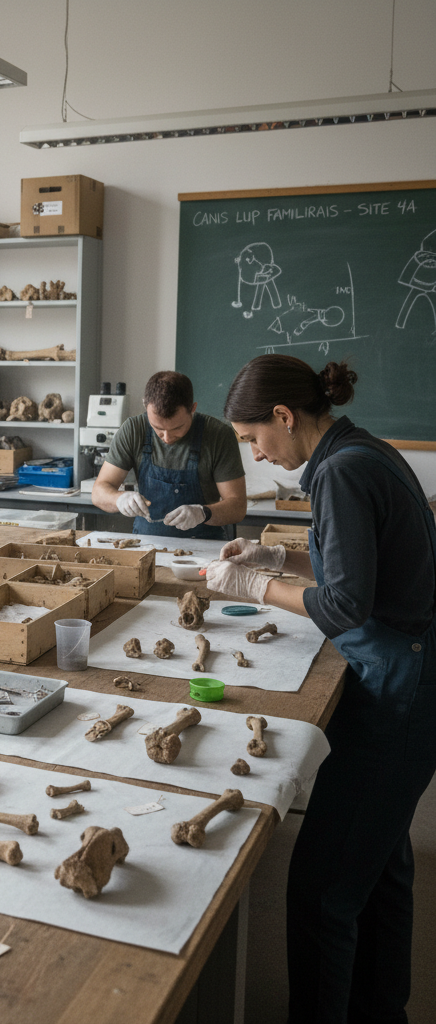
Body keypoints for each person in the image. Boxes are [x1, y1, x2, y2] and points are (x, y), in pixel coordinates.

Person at [205, 354, 436, 1024]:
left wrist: (254, 587)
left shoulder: (338, 471)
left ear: (284, 415)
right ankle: (376, 1010)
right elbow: (357, 564)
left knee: (321, 890)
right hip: (411, 665)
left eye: (254, 438)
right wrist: (278, 558)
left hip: (403, 679)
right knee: (380, 862)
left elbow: (342, 607)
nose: (255, 452)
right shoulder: (362, 450)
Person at [90, 370, 247, 540]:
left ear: (192, 409)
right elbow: (99, 492)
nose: (167, 438)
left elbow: (237, 507)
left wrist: (203, 513)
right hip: (146, 543)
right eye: (158, 428)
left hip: (203, 546)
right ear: (146, 405)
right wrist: (119, 499)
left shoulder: (218, 435)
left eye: (177, 428)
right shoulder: (134, 430)